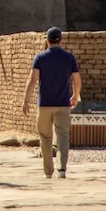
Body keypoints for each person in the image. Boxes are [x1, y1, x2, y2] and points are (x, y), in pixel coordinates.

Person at [20, 27, 81, 179]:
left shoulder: (40, 58)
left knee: (45, 137)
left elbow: (32, 80)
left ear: (46, 41)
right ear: (61, 40)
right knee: (62, 137)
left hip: (44, 104)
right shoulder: (69, 58)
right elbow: (77, 80)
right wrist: (75, 95)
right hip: (63, 104)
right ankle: (62, 169)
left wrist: (26, 101)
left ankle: (48, 171)